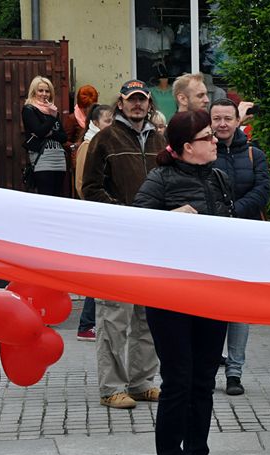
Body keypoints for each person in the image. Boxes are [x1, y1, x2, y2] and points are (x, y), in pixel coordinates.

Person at [134, 110, 234, 455]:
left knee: (204, 381)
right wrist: (172, 217)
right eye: (208, 137)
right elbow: (136, 224)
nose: (216, 141)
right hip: (171, 293)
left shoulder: (219, 176)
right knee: (178, 381)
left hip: (213, 291)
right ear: (187, 147)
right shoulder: (160, 179)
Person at [81, 79, 165, 409]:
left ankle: (142, 381)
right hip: (116, 240)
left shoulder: (161, 139)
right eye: (131, 99)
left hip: (153, 240)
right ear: (121, 103)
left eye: (142, 99)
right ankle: (111, 387)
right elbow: (90, 188)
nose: (137, 105)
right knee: (114, 317)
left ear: (148, 103)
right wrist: (124, 215)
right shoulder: (105, 138)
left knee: (148, 317)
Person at [211, 98, 270, 396]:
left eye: (227, 118)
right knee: (212, 307)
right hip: (212, 241)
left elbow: (263, 189)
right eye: (217, 118)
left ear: (237, 121)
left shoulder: (254, 153)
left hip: (245, 237)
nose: (222, 124)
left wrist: (236, 210)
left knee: (239, 309)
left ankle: (234, 372)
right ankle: (210, 367)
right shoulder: (202, 152)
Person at [73, 103, 113, 342]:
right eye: (108, 121)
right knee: (99, 271)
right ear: (95, 123)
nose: (112, 125)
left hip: (103, 215)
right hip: (97, 216)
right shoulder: (89, 146)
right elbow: (82, 184)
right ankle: (87, 323)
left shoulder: (105, 143)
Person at [22, 75, 68, 197]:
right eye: (40, 90)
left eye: (47, 91)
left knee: (57, 196)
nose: (44, 94)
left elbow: (64, 137)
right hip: (42, 159)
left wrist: (51, 133)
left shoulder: (52, 110)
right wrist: (52, 118)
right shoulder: (29, 109)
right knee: (45, 195)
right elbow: (39, 132)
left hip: (59, 158)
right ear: (34, 92)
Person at [64, 85, 99, 159]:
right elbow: (64, 141)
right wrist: (75, 145)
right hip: (79, 157)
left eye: (91, 106)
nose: (89, 110)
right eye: (85, 107)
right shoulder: (73, 118)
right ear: (80, 105)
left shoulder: (99, 116)